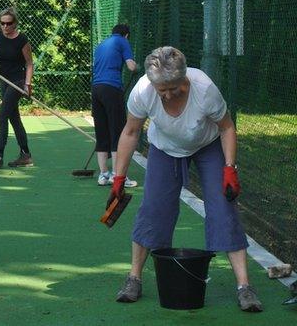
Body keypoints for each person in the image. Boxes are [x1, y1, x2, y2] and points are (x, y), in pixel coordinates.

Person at [109, 46, 263, 312]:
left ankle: (245, 287)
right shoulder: (143, 91)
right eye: (162, 90)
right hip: (164, 148)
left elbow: (226, 128)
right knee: (154, 209)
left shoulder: (204, 89)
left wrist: (229, 168)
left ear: (185, 78)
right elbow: (131, 132)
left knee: (223, 207)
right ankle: (134, 278)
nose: (167, 95)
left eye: (174, 87)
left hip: (208, 146)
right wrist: (119, 177)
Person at [0, 7, 34, 168]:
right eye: (2, 23)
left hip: (17, 82)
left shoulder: (22, 40)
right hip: (4, 81)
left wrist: (28, 84)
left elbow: (29, 64)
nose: (5, 27)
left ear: (15, 23)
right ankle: (25, 154)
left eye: (9, 24)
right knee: (13, 117)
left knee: (2, 116)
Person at [91, 24, 138, 187]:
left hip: (96, 90)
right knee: (118, 131)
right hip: (112, 88)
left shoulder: (101, 45)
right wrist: (137, 68)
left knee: (102, 131)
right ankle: (118, 176)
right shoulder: (122, 42)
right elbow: (131, 65)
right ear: (126, 35)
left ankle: (104, 174)